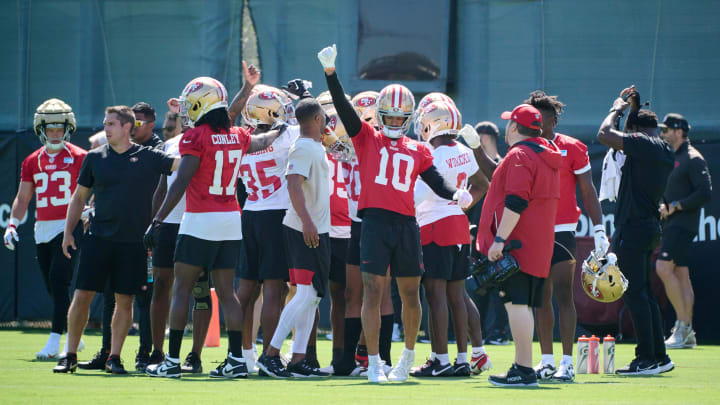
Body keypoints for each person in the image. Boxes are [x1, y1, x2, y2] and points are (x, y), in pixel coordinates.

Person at [318, 44, 472, 383]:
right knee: (372, 291)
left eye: (400, 118)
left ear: (408, 118)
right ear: (381, 114)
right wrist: (331, 74)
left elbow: (435, 180)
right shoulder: (366, 138)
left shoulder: (417, 148)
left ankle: (406, 358)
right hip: (373, 222)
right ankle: (373, 362)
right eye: (388, 116)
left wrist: (456, 193)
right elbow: (344, 108)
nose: (393, 122)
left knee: (410, 293)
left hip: (406, 224)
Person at [145, 76, 283, 379]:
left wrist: (157, 220)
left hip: (200, 219)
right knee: (227, 293)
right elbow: (259, 142)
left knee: (182, 289)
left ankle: (171, 362)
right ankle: (235, 360)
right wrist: (279, 128)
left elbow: (180, 181)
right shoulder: (236, 134)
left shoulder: (195, 137)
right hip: (231, 219)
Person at [53, 105, 180, 374]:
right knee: (82, 295)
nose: (105, 128)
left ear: (127, 127)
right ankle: (70, 354)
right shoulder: (94, 158)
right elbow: (79, 198)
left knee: (125, 301)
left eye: (110, 124)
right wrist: (67, 232)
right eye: (105, 123)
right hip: (97, 239)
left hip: (134, 244)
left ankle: (114, 357)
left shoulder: (148, 156)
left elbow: (184, 164)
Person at [475, 103, 562, 387]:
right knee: (522, 306)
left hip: (518, 243)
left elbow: (516, 201)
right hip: (537, 242)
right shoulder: (545, 153)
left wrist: (499, 239)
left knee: (517, 304)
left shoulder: (520, 154)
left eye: (508, 124)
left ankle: (523, 369)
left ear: (514, 127)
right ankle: (523, 366)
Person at [525, 91, 609, 383]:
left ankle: (567, 363)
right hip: (533, 231)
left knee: (563, 295)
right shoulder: (525, 148)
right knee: (540, 298)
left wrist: (599, 229)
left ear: (552, 119)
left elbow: (588, 190)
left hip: (562, 230)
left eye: (540, 117)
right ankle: (546, 361)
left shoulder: (572, 147)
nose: (535, 122)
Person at [597, 85, 675, 375]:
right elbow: (629, 133)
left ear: (638, 131)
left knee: (633, 294)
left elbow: (604, 134)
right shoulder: (661, 148)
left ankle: (646, 359)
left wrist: (616, 108)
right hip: (647, 228)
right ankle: (659, 356)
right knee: (644, 293)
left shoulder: (643, 144)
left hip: (633, 228)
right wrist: (634, 107)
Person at [410, 100, 491, 378]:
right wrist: (465, 204)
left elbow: (416, 197)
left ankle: (440, 359)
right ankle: (461, 358)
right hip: (458, 223)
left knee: (435, 296)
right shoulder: (464, 151)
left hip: (434, 225)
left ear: (432, 122)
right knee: (457, 296)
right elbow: (482, 185)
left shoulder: (432, 154)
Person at [4, 99, 87, 359]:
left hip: (69, 226)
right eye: (50, 128)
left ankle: (55, 342)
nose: (55, 133)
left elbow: (92, 191)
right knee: (52, 287)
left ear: (68, 128)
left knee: (58, 281)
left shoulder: (80, 156)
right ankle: (76, 334)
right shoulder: (32, 161)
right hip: (42, 228)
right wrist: (12, 224)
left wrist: (88, 212)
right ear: (41, 129)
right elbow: (22, 197)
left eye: (59, 128)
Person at [256, 96, 333, 379]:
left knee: (312, 297)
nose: (325, 120)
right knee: (304, 294)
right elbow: (293, 185)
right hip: (303, 229)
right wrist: (309, 223)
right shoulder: (302, 146)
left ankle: (298, 359)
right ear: (315, 119)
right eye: (323, 116)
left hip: (315, 229)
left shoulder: (313, 146)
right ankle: (270, 354)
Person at [236, 84, 298, 373]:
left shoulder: (241, 140)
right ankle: (268, 355)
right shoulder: (287, 137)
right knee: (275, 289)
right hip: (276, 216)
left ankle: (241, 353)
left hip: (249, 213)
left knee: (246, 289)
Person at [655, 113, 711, 349]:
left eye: (666, 130)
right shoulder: (672, 155)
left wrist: (676, 206)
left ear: (679, 132)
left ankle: (683, 326)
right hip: (672, 224)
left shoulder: (693, 158)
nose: (663, 133)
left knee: (663, 267)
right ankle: (687, 332)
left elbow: (704, 193)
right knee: (680, 274)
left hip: (682, 225)